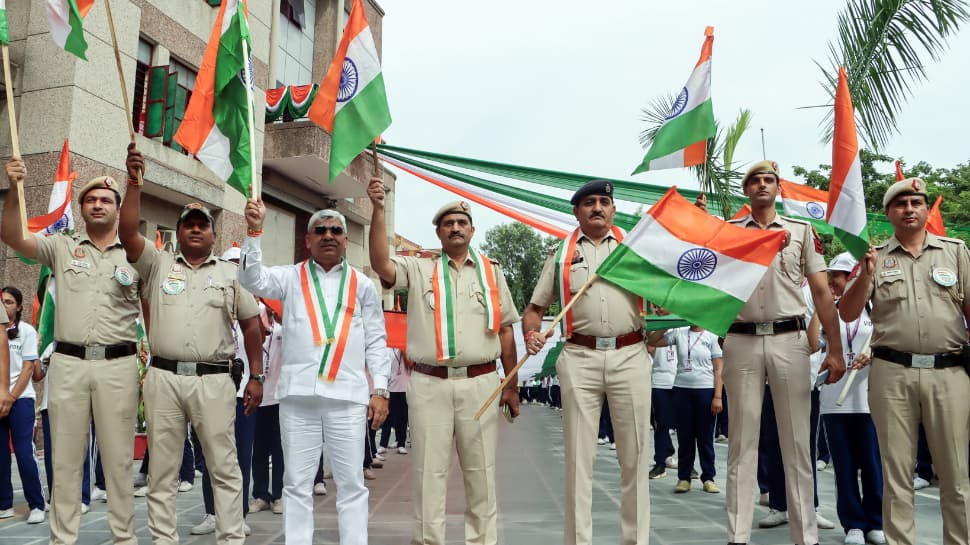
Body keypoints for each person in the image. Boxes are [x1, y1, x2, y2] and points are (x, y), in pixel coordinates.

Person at [368, 179, 520, 545]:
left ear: (472, 230)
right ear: (437, 232)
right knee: (428, 473)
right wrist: (377, 210)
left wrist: (511, 385)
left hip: (481, 383)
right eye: (448, 223)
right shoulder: (419, 269)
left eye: (461, 223)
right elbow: (380, 264)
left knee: (480, 473)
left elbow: (505, 331)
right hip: (430, 383)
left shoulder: (492, 271)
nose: (455, 228)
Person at [119, 162, 264, 545]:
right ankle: (163, 540)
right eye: (189, 224)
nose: (196, 228)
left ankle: (231, 537)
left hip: (214, 380)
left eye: (203, 224)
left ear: (214, 234)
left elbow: (252, 325)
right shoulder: (157, 263)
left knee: (224, 468)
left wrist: (258, 376)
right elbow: (128, 232)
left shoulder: (232, 274)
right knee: (162, 471)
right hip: (163, 379)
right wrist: (134, 183)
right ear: (179, 232)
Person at [3, 151, 144, 545]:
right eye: (91, 200)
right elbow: (15, 237)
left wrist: (135, 184)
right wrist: (14, 191)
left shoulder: (136, 255)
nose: (98, 204)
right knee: (64, 461)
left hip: (118, 366)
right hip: (67, 364)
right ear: (81, 208)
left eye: (106, 200)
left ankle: (124, 538)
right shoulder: (61, 247)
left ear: (118, 209)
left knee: (117, 462)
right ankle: (62, 539)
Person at [703, 161, 845, 545]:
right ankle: (737, 535)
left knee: (797, 443)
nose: (762, 185)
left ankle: (806, 536)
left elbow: (820, 291)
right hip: (741, 339)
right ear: (746, 191)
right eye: (755, 180)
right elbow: (708, 284)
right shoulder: (729, 233)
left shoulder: (801, 231)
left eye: (769, 180)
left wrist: (834, 347)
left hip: (789, 339)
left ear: (778, 188)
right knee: (741, 441)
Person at [239, 198, 389, 545]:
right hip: (298, 397)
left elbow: (377, 341)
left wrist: (380, 389)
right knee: (296, 483)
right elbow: (251, 278)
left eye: (336, 230)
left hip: (347, 397)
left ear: (346, 240)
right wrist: (254, 232)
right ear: (307, 240)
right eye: (319, 230)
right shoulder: (290, 277)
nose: (328, 235)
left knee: (351, 482)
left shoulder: (362, 285)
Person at [840, 177, 970, 545]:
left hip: (950, 373)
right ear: (888, 214)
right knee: (896, 475)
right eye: (901, 204)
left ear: (927, 209)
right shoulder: (874, 257)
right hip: (891, 374)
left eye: (916, 202)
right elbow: (848, 313)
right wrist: (864, 276)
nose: (909, 209)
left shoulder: (955, 251)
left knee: (955, 474)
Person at [523, 180, 652, 545]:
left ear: (613, 209)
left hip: (630, 354)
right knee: (580, 461)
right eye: (590, 202)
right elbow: (534, 309)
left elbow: (663, 295)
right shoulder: (561, 254)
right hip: (579, 356)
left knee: (636, 456)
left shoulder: (635, 248)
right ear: (576, 211)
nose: (598, 207)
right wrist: (532, 333)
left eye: (605, 202)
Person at [818, 252, 885, 545]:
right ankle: (853, 524)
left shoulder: (877, 313)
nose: (832, 281)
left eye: (838, 275)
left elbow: (893, 344)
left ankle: (876, 522)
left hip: (869, 400)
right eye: (830, 274)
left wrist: (874, 353)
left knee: (872, 464)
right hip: (834, 400)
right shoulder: (827, 311)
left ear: (854, 277)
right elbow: (813, 345)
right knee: (843, 466)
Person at [653, 324, 723, 494]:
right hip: (681, 389)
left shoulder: (711, 335)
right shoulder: (679, 332)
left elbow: (718, 368)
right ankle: (684, 478)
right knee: (685, 437)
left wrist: (718, 396)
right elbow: (653, 341)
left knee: (705, 437)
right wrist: (668, 324)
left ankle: (708, 478)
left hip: (705, 390)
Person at [0, 287, 44, 523]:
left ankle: (37, 503)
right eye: (1, 301)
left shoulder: (26, 331)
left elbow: (29, 369)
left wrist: (10, 397)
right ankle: (4, 504)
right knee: (0, 454)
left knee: (25, 453)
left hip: (21, 399)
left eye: (9, 302)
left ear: (18, 307)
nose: (4, 305)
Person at [251, 304, 285, 514]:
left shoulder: (282, 330)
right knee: (259, 450)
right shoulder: (253, 329)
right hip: (258, 398)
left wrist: (281, 318)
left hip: (279, 397)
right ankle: (261, 494)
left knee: (279, 449)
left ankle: (279, 495)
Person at [378, 348, 410, 455]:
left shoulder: (405, 350)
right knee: (387, 417)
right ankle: (383, 444)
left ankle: (401, 443)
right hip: (390, 387)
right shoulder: (387, 350)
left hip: (404, 387)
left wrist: (404, 352)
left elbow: (410, 365)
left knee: (403, 418)